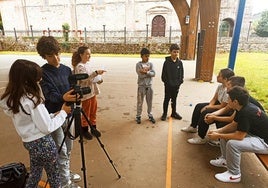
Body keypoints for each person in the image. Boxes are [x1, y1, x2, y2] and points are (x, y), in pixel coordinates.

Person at [0, 59, 72, 188]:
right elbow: (47, 127)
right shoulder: (32, 100)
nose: (39, 81)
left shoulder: (11, 98)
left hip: (29, 142)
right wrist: (63, 113)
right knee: (54, 176)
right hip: (44, 143)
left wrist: (51, 115)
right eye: (37, 79)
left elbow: (30, 119)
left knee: (35, 172)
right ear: (28, 80)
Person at [36, 36, 81, 188]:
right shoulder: (42, 72)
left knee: (69, 148)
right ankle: (65, 183)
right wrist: (63, 97)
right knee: (60, 151)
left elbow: (72, 89)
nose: (55, 58)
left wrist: (76, 94)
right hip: (54, 117)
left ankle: (65, 173)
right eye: (50, 56)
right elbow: (49, 95)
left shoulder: (67, 69)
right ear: (44, 56)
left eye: (57, 54)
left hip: (69, 114)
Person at [207, 86, 268, 183]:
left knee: (233, 144)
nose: (227, 101)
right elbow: (233, 125)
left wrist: (218, 135)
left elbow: (239, 136)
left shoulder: (246, 112)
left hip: (264, 142)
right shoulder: (242, 107)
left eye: (229, 99)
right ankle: (225, 160)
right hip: (256, 135)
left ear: (235, 102)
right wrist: (218, 132)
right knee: (225, 134)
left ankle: (234, 174)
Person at [181, 68, 234, 144]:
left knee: (205, 113)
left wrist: (208, 108)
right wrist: (209, 106)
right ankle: (193, 127)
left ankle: (201, 137)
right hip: (218, 104)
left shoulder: (227, 91)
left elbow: (222, 107)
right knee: (199, 106)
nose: (217, 76)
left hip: (223, 108)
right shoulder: (220, 86)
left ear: (225, 79)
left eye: (219, 75)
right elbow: (214, 99)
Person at [71, 45, 105, 139]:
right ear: (81, 55)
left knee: (93, 112)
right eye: (87, 54)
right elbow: (85, 78)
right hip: (86, 94)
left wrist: (99, 79)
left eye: (90, 54)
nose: (89, 56)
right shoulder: (79, 66)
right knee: (86, 112)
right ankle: (84, 130)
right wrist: (96, 73)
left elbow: (92, 77)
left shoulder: (88, 64)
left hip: (92, 92)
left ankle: (93, 128)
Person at [161, 43, 184, 121]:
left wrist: (179, 83)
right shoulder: (166, 62)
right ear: (170, 52)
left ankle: (173, 113)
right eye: (174, 52)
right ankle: (164, 113)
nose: (176, 54)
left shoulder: (180, 63)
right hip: (168, 86)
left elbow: (181, 75)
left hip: (176, 86)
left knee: (174, 99)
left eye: (177, 52)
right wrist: (168, 83)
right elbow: (163, 76)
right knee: (166, 99)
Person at [135, 48, 156, 124]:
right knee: (140, 102)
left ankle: (150, 114)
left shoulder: (150, 64)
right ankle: (138, 116)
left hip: (149, 86)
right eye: (146, 56)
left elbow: (153, 74)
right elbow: (140, 75)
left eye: (148, 56)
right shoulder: (138, 65)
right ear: (141, 56)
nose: (147, 58)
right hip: (141, 86)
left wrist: (146, 72)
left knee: (149, 102)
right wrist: (148, 73)